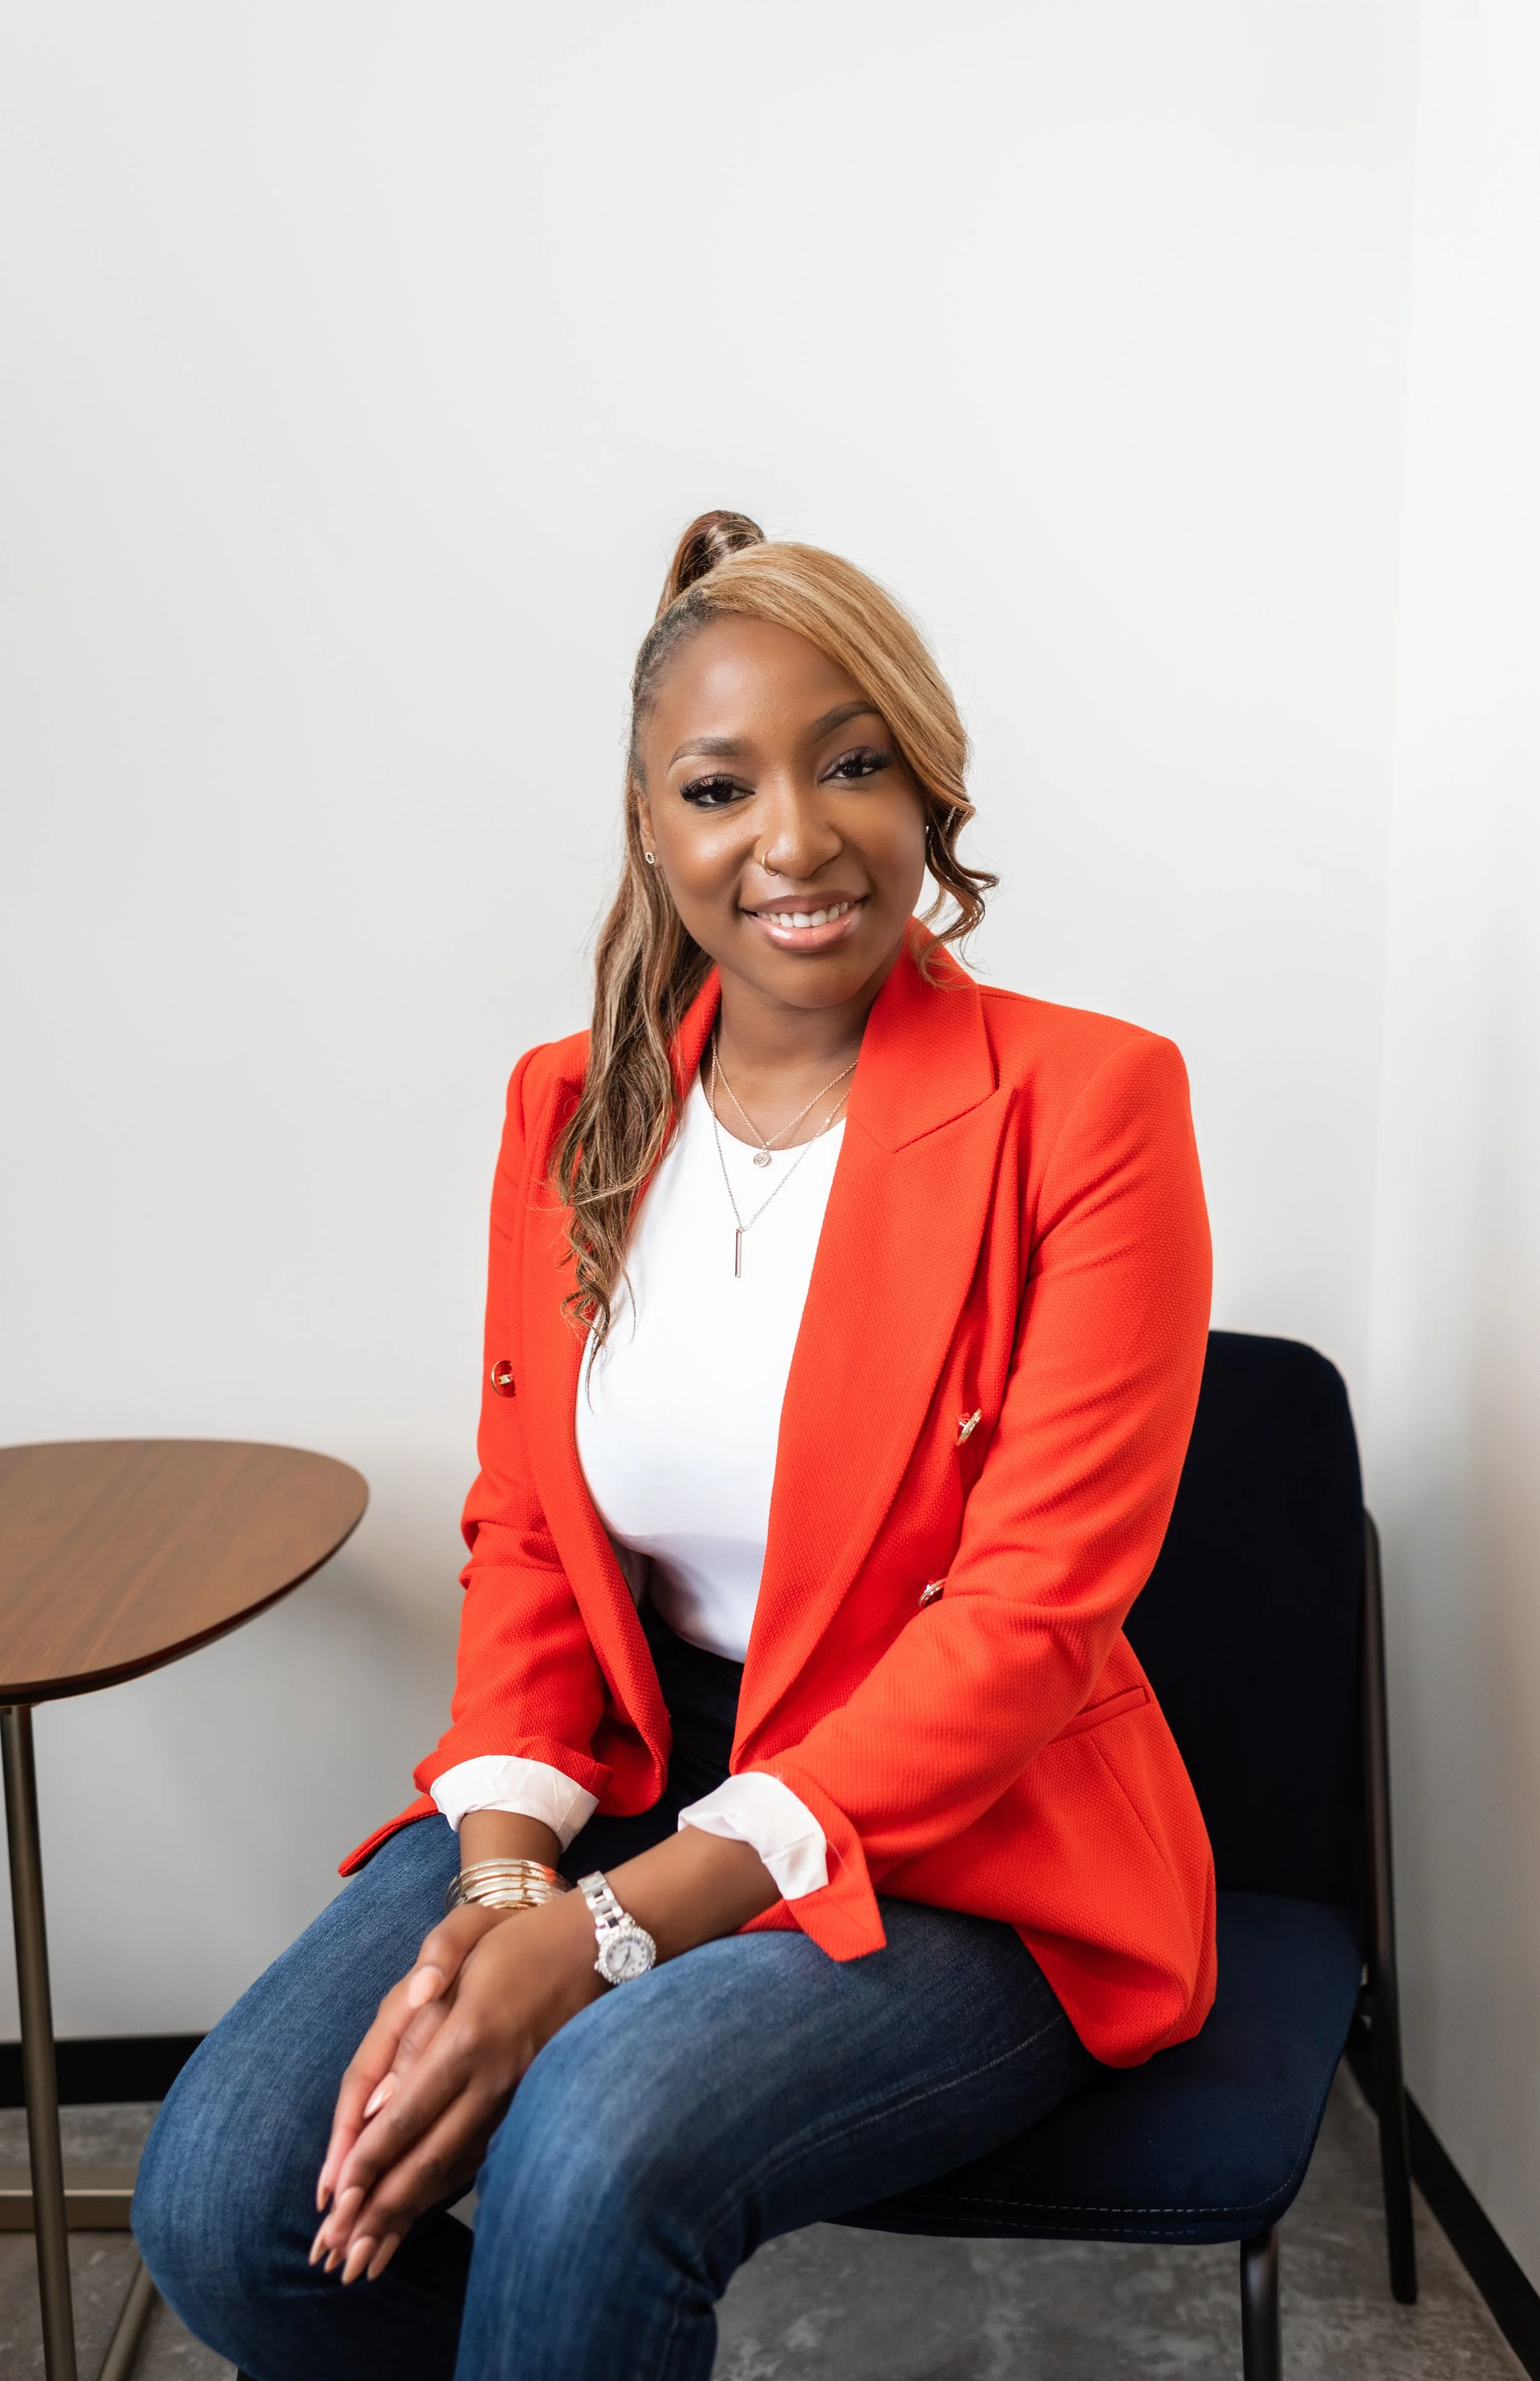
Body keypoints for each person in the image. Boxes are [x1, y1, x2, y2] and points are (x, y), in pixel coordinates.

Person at [134, 512, 1216, 2381]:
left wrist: (616, 1932)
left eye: (852, 762)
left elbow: (1032, 1621)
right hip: (635, 1765)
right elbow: (534, 1537)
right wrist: (501, 1883)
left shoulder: (1088, 1102)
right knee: (229, 2202)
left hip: (970, 1843)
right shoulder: (571, 1111)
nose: (791, 837)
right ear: (650, 827)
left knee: (587, 2144)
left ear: (927, 785)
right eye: (720, 786)